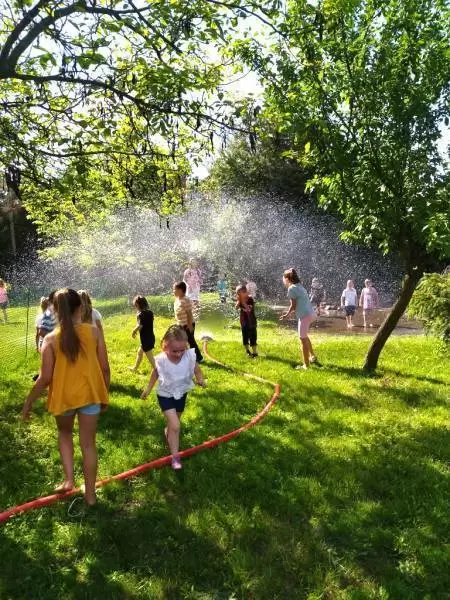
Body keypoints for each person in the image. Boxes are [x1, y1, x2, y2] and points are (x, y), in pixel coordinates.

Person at [22, 288, 110, 507]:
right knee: (88, 445)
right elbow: (105, 368)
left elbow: (44, 378)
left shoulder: (50, 339)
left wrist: (29, 401)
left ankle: (69, 480)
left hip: (63, 398)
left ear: (55, 311)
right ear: (81, 307)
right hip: (90, 395)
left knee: (64, 434)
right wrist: (104, 394)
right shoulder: (94, 332)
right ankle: (90, 496)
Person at [141, 325, 205, 470]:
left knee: (174, 423)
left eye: (182, 350)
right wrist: (148, 389)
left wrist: (200, 379)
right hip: (165, 395)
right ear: (165, 346)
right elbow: (155, 373)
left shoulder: (189, 356)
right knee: (176, 425)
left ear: (186, 345)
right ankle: (175, 457)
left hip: (181, 393)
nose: (178, 354)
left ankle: (168, 431)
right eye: (174, 351)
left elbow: (197, 370)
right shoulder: (162, 359)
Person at [280, 268, 318, 369]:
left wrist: (286, 315)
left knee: (302, 339)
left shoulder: (291, 289)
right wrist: (294, 311)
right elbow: (300, 303)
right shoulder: (300, 286)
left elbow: (293, 305)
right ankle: (312, 356)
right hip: (311, 314)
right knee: (305, 337)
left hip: (305, 316)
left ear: (287, 278)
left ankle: (306, 365)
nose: (283, 280)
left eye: (284, 278)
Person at [173, 281, 203, 362]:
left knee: (190, 341)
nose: (173, 291)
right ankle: (186, 356)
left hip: (187, 324)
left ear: (180, 290)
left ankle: (198, 357)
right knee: (183, 341)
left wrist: (190, 325)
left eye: (174, 289)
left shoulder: (185, 300)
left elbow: (189, 313)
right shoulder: (177, 300)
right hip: (181, 324)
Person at [130, 295, 156, 371]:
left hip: (145, 340)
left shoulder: (140, 315)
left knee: (151, 360)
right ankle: (135, 368)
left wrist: (134, 331)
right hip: (151, 338)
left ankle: (159, 371)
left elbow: (140, 326)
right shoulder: (150, 313)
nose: (135, 307)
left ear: (138, 305)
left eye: (135, 306)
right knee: (140, 352)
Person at [235, 284, 258, 357]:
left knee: (253, 337)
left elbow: (248, 309)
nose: (238, 295)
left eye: (239, 293)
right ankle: (247, 350)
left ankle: (255, 352)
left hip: (252, 323)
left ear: (245, 292)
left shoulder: (250, 299)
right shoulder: (240, 300)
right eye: (237, 294)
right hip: (244, 323)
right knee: (245, 337)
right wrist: (239, 302)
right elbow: (236, 307)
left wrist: (242, 302)